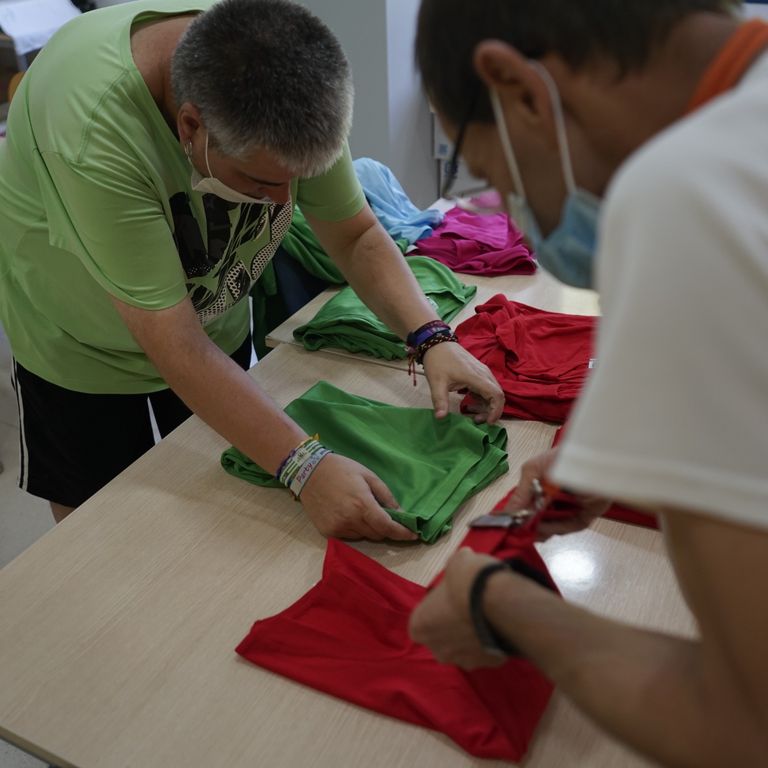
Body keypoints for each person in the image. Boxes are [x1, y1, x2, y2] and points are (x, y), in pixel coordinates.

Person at [409, 1, 768, 765]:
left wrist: (496, 605)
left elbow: (747, 727)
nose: (512, 206)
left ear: (520, 88)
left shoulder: (688, 190)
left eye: (496, 174)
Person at [0, 0, 503, 537]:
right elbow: (174, 342)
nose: (283, 201)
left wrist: (431, 337)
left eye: (296, 180)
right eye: (260, 183)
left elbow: (353, 234)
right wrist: (304, 466)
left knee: (224, 516)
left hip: (209, 327)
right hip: (82, 347)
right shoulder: (93, 133)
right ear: (189, 126)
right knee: (100, 534)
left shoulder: (285, 87)